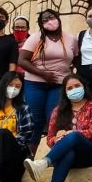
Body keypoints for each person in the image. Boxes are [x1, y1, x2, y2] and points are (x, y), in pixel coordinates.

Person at [25, 74, 92, 182]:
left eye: (77, 86)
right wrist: (57, 138)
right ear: (65, 92)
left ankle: (43, 163)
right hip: (66, 154)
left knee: (73, 136)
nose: (74, 89)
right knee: (69, 152)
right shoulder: (58, 110)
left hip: (88, 154)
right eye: (70, 88)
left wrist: (69, 134)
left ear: (84, 87)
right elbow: (49, 139)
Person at [19, 9, 77, 152]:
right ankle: (29, 155)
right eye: (44, 20)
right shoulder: (35, 38)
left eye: (51, 17)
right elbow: (21, 60)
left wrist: (72, 77)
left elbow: (76, 59)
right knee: (35, 120)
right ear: (41, 25)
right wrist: (42, 74)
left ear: (58, 18)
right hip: (35, 84)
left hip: (59, 85)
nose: (49, 21)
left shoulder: (71, 39)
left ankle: (56, 155)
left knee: (56, 120)